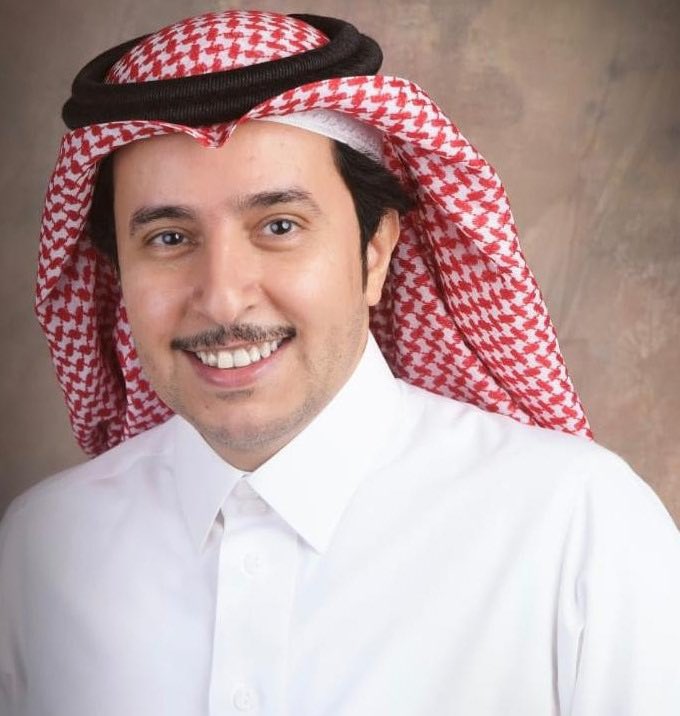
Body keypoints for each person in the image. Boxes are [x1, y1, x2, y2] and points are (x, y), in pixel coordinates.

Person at [1, 10, 679, 716]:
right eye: (169, 238)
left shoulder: (575, 528)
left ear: (375, 253)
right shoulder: (41, 550)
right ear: (120, 274)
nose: (223, 296)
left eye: (279, 226)